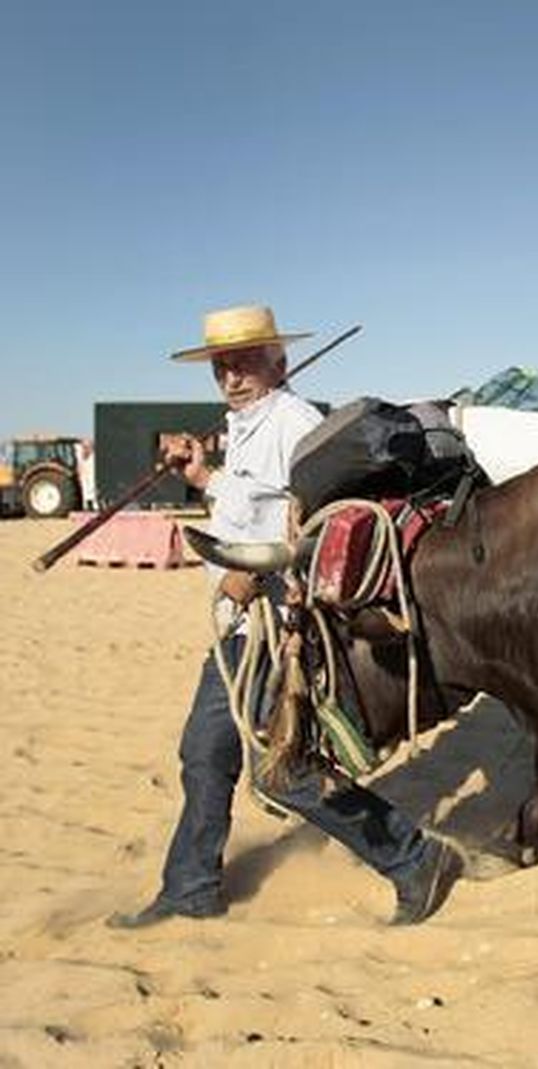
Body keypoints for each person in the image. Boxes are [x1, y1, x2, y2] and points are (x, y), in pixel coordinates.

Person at [109, 304, 463, 929]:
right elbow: (254, 498)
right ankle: (190, 887)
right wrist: (205, 480)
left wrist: (260, 571)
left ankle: (415, 859)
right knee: (205, 751)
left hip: (284, 627)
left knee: (284, 773)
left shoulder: (294, 422)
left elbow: (315, 518)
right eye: (222, 365)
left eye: (246, 362)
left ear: (280, 360)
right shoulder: (248, 423)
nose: (232, 376)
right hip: (239, 630)